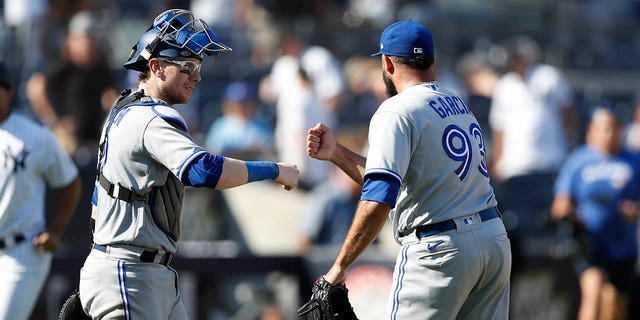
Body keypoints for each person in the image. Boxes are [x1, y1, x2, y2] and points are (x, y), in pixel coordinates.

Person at [78, 9, 299, 319]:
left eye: (198, 66)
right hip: (131, 272)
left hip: (136, 269)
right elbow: (203, 170)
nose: (197, 76)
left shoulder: (123, 109)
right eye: (187, 66)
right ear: (156, 67)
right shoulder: (151, 117)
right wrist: (274, 169)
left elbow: (97, 201)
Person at [306, 20, 511, 318]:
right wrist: (337, 153)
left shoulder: (395, 110)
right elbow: (396, 183)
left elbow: (379, 197)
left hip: (439, 251)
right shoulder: (456, 103)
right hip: (492, 241)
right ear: (432, 60)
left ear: (387, 62)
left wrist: (339, 266)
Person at [0, 61, 82, 319]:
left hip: (21, 248)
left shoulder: (34, 136)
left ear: (9, 92)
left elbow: (69, 182)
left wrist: (56, 230)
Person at [488, 35, 575, 274]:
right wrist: (499, 161)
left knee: (550, 224)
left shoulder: (548, 76)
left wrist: (568, 144)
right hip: (514, 168)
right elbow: (499, 127)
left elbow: (568, 111)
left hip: (548, 164)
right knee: (512, 225)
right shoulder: (505, 86)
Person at [551, 107, 640, 320]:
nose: (609, 134)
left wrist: (633, 210)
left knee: (615, 301)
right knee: (594, 290)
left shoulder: (634, 162)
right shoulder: (578, 161)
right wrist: (570, 214)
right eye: (604, 129)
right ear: (592, 130)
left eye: (613, 128)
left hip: (622, 244)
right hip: (590, 243)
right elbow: (560, 204)